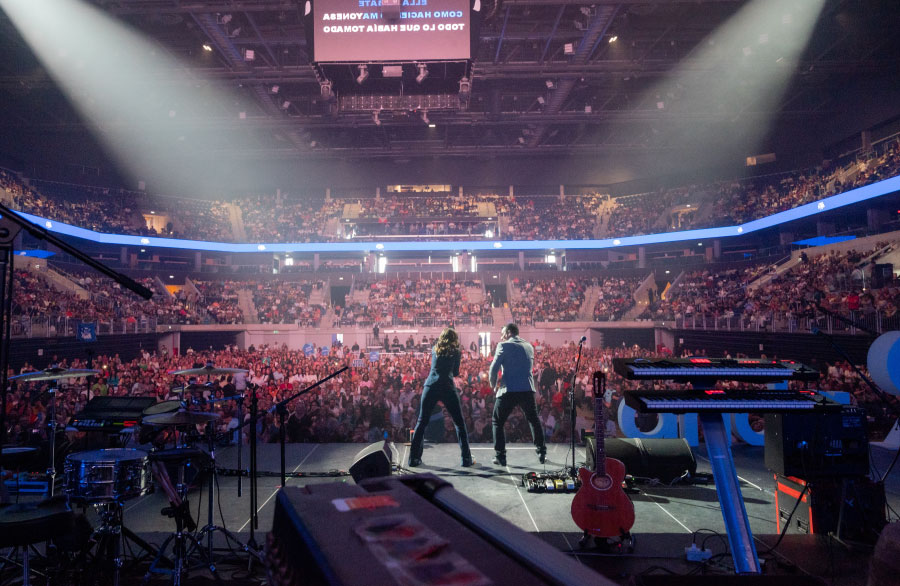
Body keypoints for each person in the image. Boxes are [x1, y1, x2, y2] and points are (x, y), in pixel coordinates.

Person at [408, 328, 475, 468]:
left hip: (431, 385)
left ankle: (413, 459)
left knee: (421, 422)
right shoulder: (455, 351)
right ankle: (466, 459)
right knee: (459, 423)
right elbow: (455, 372)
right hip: (447, 387)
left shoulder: (435, 349)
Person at [489, 323, 546, 466]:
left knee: (497, 420)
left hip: (509, 389)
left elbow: (494, 368)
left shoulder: (503, 345)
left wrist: (493, 385)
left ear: (509, 332)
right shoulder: (529, 346)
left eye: (503, 333)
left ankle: (500, 456)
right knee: (533, 420)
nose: (501, 336)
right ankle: (541, 451)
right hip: (527, 389)